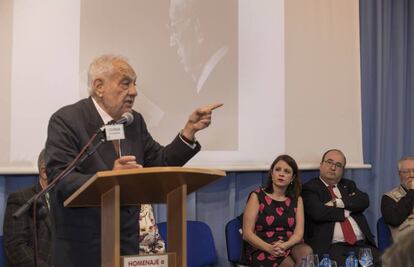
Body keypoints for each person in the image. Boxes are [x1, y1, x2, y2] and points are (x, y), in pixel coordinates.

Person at [45, 54, 222, 267]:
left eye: (135, 84)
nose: (134, 92)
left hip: (126, 246)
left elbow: (161, 162)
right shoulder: (67, 120)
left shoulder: (133, 121)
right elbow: (60, 179)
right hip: (82, 249)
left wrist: (189, 132)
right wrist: (108, 179)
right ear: (99, 86)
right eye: (125, 83)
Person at [302, 149, 381, 267]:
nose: (333, 168)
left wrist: (338, 203)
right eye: (329, 162)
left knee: (385, 261)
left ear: (343, 170)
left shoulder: (348, 185)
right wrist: (347, 210)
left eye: (338, 165)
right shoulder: (310, 188)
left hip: (361, 244)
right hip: (332, 247)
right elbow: (318, 213)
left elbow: (363, 201)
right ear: (321, 165)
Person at [242, 154, 312, 267]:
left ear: (292, 177)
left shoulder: (297, 199)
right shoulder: (257, 196)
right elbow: (247, 234)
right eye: (278, 169)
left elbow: (299, 233)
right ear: (271, 173)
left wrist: (285, 245)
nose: (281, 174)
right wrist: (269, 248)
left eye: (287, 171)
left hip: (290, 244)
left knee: (306, 254)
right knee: (289, 265)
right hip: (263, 247)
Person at [3, 149, 52, 267]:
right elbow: (16, 247)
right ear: (44, 172)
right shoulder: (21, 199)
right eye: (64, 168)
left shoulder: (72, 199)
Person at [381, 156, 414, 242]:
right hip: (406, 245)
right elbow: (394, 219)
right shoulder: (388, 197)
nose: (412, 175)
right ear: (399, 174)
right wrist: (411, 192)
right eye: (406, 172)